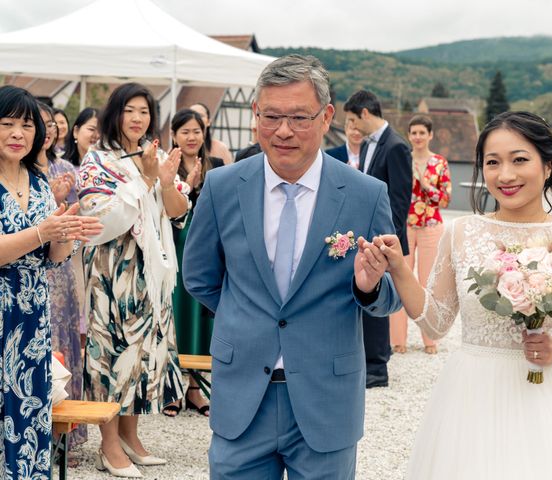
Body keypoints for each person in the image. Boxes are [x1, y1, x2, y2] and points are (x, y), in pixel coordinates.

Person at [183, 54, 401, 480]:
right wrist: (245, 316)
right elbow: (199, 277)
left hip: (326, 397)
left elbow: (390, 295)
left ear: (326, 117)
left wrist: (368, 286)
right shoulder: (223, 185)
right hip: (243, 393)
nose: (284, 131)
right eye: (273, 116)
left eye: (300, 117)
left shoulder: (364, 194)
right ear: (256, 114)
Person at [370, 111, 552, 479]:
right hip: (472, 393)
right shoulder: (461, 233)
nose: (505, 175)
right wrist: (400, 269)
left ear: (548, 166)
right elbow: (437, 320)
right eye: (492, 163)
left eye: (520, 160)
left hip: (546, 396)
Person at [78, 82, 189, 477]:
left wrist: (160, 178)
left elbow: (177, 211)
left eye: (144, 111)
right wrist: (142, 179)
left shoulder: (151, 155)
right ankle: (108, 445)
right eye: (130, 110)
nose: (137, 118)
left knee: (143, 353)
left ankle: (130, 436)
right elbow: (99, 221)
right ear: (115, 114)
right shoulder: (98, 160)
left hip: (150, 273)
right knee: (110, 354)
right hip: (112, 270)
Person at [0, 85, 102, 478]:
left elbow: (53, 259)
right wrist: (45, 230)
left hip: (31, 318)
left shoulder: (39, 181)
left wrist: (66, 233)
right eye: (6, 124)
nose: (17, 133)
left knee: (29, 412)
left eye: (26, 125)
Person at [344, 89, 412, 388]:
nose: (352, 127)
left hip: (384, 240)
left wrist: (389, 245)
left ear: (365, 114)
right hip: (368, 238)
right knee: (368, 298)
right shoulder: (371, 144)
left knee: (380, 302)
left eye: (352, 120)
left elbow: (399, 199)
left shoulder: (395, 146)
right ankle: (372, 361)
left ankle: (377, 367)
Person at [37, 102, 88, 454]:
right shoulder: (19, 171)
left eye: (49, 124)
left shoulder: (65, 166)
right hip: (32, 270)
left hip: (62, 264)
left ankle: (64, 431)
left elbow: (76, 213)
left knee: (64, 337)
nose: (47, 130)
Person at [162, 108, 218, 418]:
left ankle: (195, 389)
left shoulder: (217, 166)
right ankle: (171, 388)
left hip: (205, 247)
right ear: (174, 135)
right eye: (185, 131)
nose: (191, 136)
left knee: (199, 315)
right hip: (172, 245)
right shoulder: (166, 167)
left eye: (196, 131)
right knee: (174, 314)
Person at [389, 114, 451, 355]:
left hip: (431, 226)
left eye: (422, 133)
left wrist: (427, 187)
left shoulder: (439, 162)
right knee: (399, 280)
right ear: (409, 135)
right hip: (404, 225)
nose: (417, 137)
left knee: (428, 283)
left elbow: (445, 199)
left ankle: (430, 339)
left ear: (430, 135)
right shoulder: (402, 159)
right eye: (413, 132)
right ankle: (397, 340)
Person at [63, 107, 100, 351]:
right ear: (76, 131)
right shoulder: (64, 168)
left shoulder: (106, 169)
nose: (96, 135)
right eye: (91, 129)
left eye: (101, 131)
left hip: (97, 244)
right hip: (71, 250)